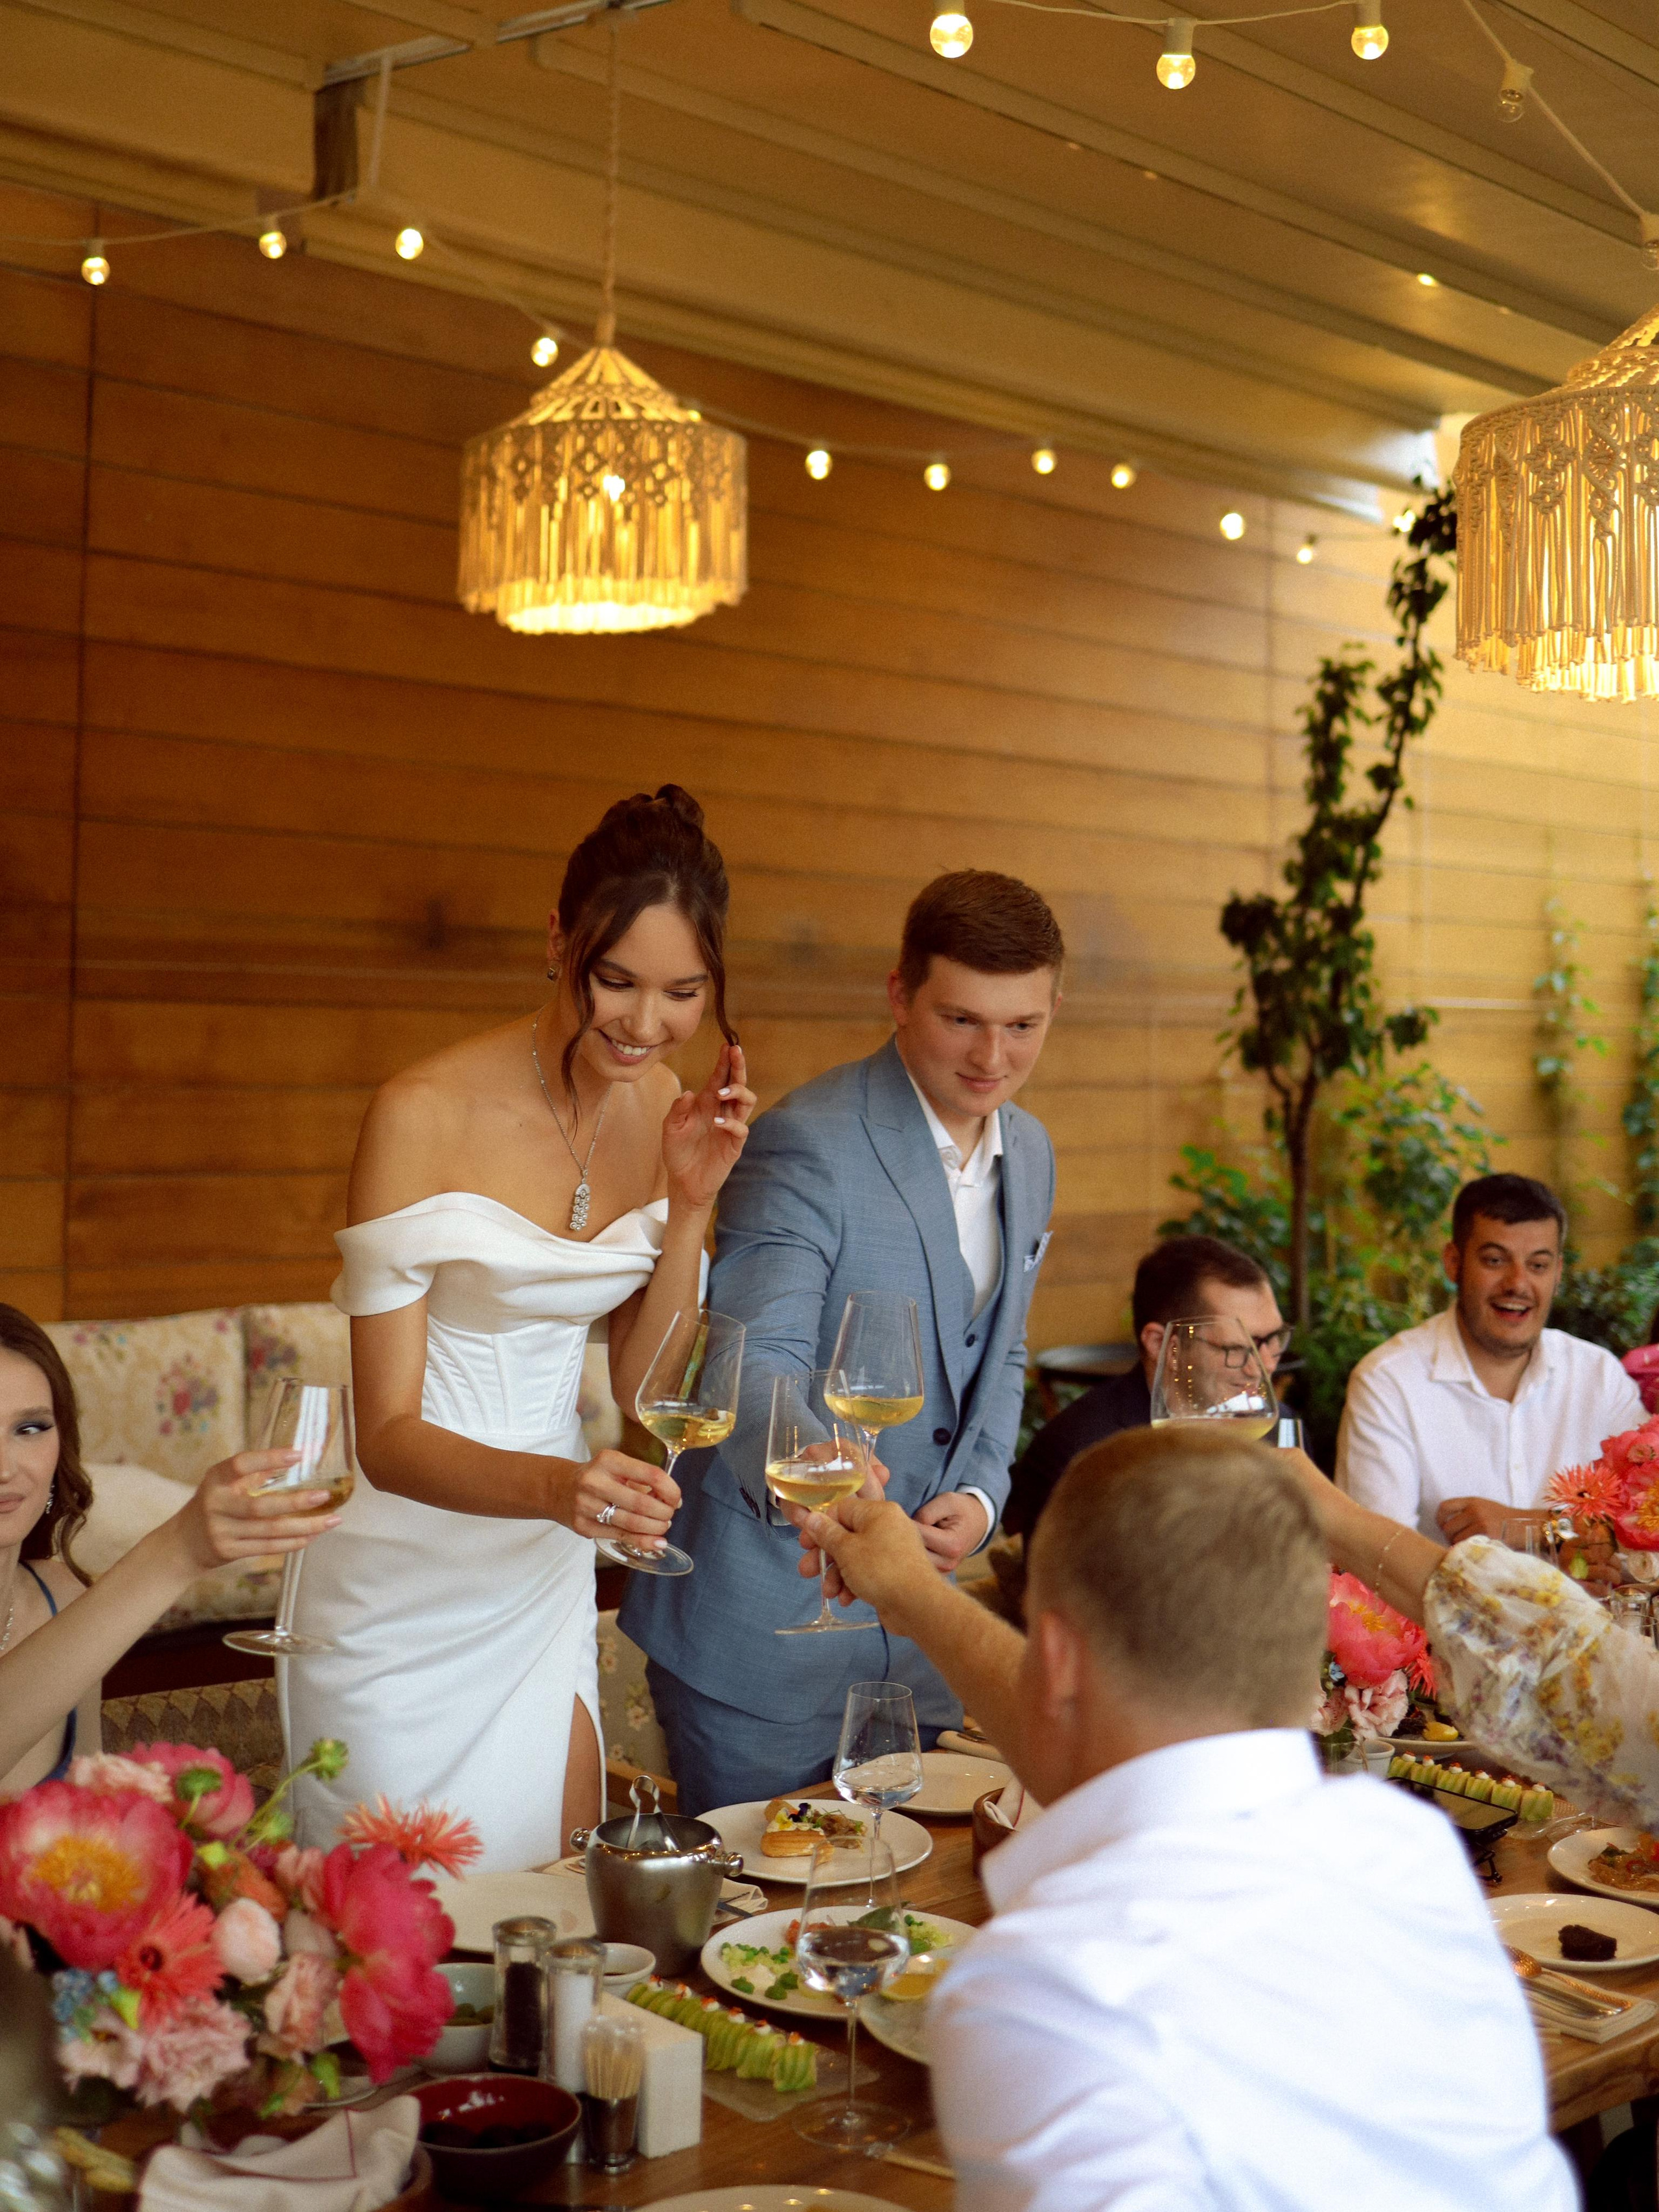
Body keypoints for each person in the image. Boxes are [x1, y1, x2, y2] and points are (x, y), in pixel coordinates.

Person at [798, 1435, 1575, 2212]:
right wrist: (920, 1597)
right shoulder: (1412, 1853)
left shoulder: (1050, 1992)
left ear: (1058, 1655)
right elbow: (1130, 1766)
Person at [282, 787, 756, 1870]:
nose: (647, 1024)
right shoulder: (422, 1110)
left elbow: (648, 1387)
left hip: (541, 1569)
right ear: (559, 943)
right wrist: (562, 1489)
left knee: (554, 1904)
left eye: (684, 992)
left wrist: (689, 1207)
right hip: (400, 1579)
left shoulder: (660, 1101)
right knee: (402, 1942)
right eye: (618, 981)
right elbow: (388, 1438)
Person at [621, 870, 1062, 1813]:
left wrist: (983, 1496)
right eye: (963, 1020)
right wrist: (808, 1462)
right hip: (767, 1646)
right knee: (758, 1927)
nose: (994, 1054)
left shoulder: (1032, 1152)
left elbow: (1006, 1354)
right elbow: (750, 1355)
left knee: (930, 1917)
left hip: (929, 1638)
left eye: (1023, 1024)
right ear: (900, 995)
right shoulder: (807, 1141)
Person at [0, 1302, 336, 1791]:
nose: (7, 1467)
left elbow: (92, 1823)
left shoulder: (62, 1597)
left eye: (30, 1428)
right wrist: (178, 1549)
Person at [1338, 1172, 1641, 1543]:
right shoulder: (1388, 1383)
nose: (1518, 1283)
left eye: (1538, 1265)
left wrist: (1527, 1527)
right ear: (1453, 1263)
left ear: (1558, 1273)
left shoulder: (1599, 1376)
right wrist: (1572, 1534)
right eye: (1495, 1260)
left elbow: (1644, 1517)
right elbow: (1379, 1560)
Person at [1004, 1233, 1287, 1539]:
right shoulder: (1076, 1455)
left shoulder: (1278, 1428)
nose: (1265, 1366)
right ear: (1163, 1345)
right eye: (1237, 1349)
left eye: (1273, 1341)